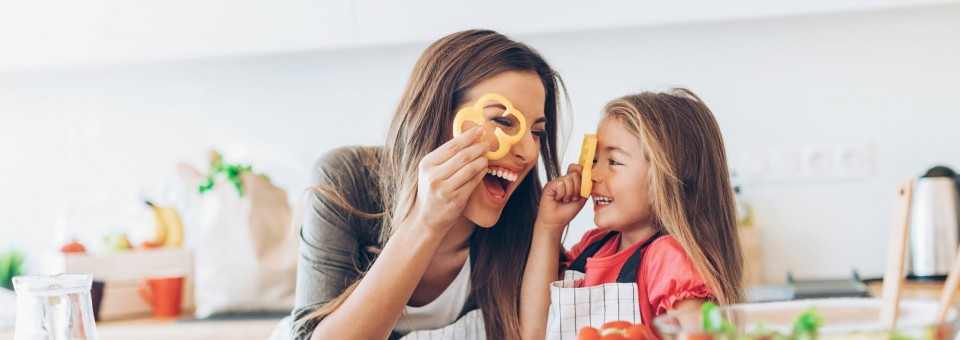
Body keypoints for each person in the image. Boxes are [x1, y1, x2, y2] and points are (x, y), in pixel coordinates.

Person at [292, 29, 566, 340]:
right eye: (503, 122)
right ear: (436, 116)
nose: (528, 152)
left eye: (537, 132)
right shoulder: (347, 178)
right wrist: (426, 221)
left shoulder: (527, 224)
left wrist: (548, 230)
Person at [520, 88, 745, 339]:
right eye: (594, 160)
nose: (592, 175)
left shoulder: (667, 258)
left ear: (667, 175)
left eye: (613, 161)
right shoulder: (592, 247)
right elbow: (534, 332)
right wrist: (549, 226)